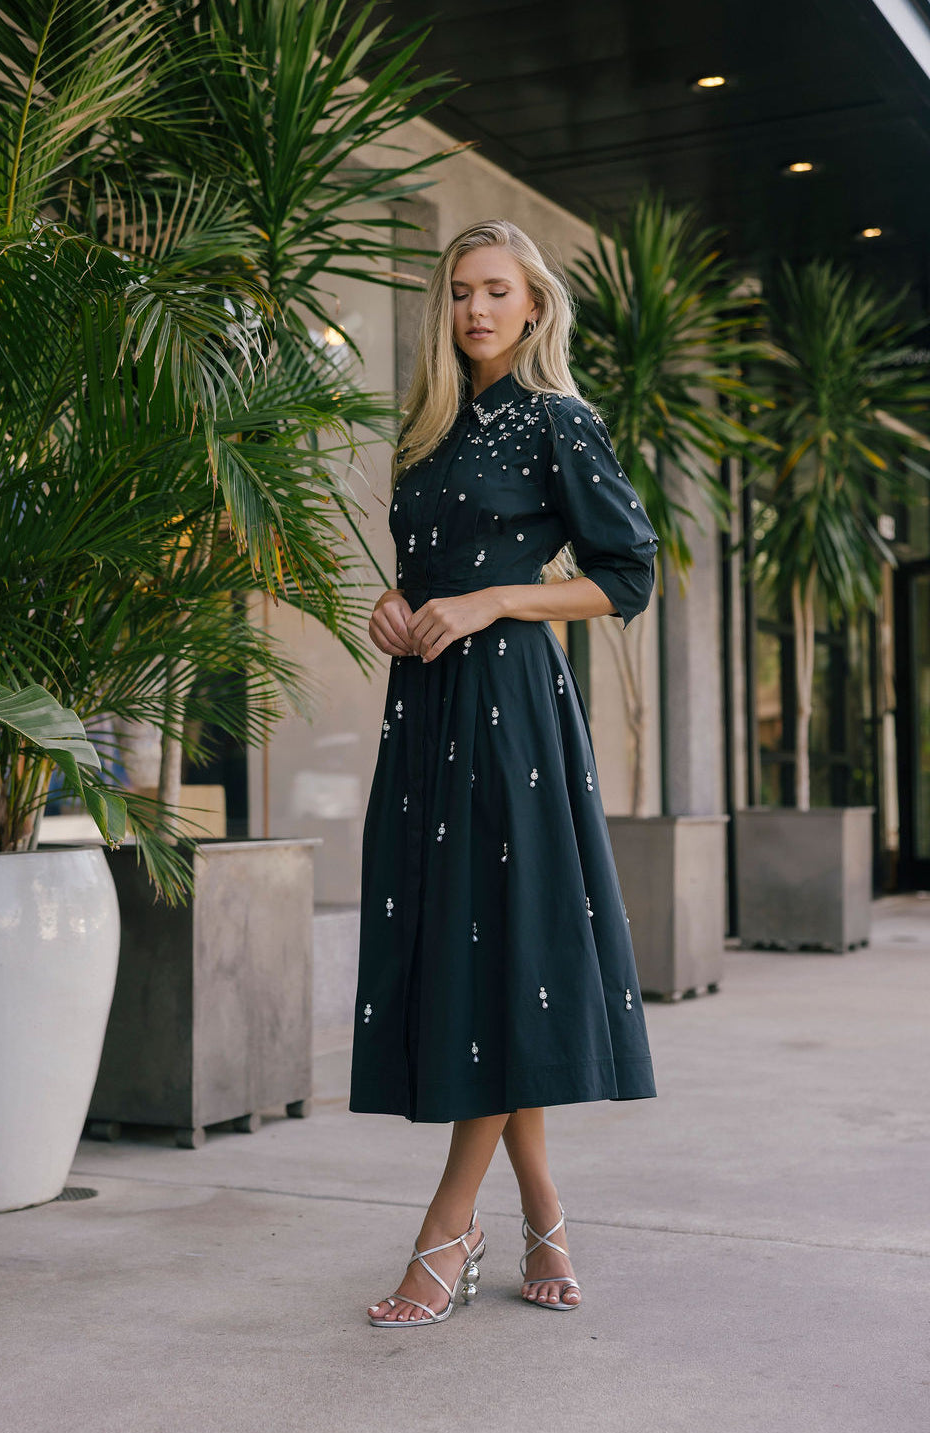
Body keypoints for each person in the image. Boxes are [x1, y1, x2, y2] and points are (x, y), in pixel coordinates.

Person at [349, 218, 658, 1327]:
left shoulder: (557, 421)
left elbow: (627, 574)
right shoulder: (429, 432)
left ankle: (446, 1227)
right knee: (481, 949)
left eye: (495, 291)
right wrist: (391, 607)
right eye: (459, 292)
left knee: (502, 943)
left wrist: (494, 599)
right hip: (428, 702)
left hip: (513, 712)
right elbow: (421, 570)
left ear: (533, 304)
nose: (475, 309)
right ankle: (544, 1211)